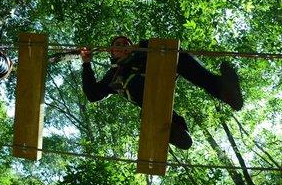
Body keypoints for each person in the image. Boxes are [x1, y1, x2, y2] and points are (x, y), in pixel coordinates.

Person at [81, 36, 243, 150]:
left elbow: (160, 46)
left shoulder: (143, 51)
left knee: (174, 52)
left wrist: (140, 46)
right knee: (137, 84)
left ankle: (223, 89)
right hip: (141, 92)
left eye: (126, 43)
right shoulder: (113, 74)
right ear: (112, 53)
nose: (123, 45)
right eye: (118, 44)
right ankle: (175, 128)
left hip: (160, 77)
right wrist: (87, 65)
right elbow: (93, 94)